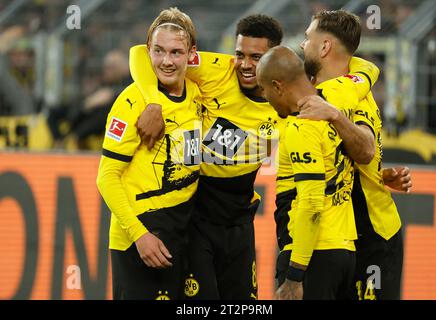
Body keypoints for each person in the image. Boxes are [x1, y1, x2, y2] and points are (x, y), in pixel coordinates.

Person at [130, 14, 379, 300]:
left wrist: (377, 172)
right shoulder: (219, 70)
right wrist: (153, 102)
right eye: (240, 54)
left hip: (240, 220)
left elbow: (367, 70)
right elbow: (140, 53)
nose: (246, 65)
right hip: (198, 213)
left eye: (256, 57)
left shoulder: (290, 99)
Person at [296, 10, 411, 300]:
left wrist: (334, 115)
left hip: (371, 237)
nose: (302, 44)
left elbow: (365, 148)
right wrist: (380, 174)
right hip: (329, 237)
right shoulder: (323, 87)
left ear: (324, 47)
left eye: (308, 38)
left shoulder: (357, 94)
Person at [96, 7, 202, 300]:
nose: (166, 61)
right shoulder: (131, 101)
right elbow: (106, 177)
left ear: (191, 54)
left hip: (182, 234)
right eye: (159, 51)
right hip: (139, 240)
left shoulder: (197, 93)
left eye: (176, 52)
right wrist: (138, 235)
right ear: (148, 51)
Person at [257, 45, 359, 299]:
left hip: (313, 258)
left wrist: (294, 276)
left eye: (264, 89)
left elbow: (312, 203)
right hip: (345, 252)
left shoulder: (301, 128)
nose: (264, 96)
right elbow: (368, 70)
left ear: (278, 86)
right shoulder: (335, 109)